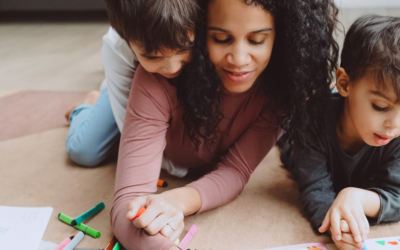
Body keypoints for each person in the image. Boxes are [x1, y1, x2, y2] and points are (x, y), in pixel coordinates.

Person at [111, 0, 340, 249]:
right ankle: (100, 100)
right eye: (221, 38)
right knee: (89, 146)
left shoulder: (281, 89)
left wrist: (178, 200)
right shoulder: (159, 77)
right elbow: (128, 203)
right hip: (141, 105)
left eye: (256, 40)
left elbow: (236, 169)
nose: (239, 60)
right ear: (197, 31)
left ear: (282, 37)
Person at [279, 14, 400, 250]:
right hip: (295, 144)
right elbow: (315, 189)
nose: (394, 125)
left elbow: (396, 194)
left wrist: (357, 197)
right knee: (287, 132)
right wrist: (338, 224)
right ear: (344, 84)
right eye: (380, 107)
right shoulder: (312, 119)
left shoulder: (396, 133)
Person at [64, 0, 198, 169]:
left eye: (184, 49)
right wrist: (177, 168)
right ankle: (88, 104)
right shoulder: (116, 46)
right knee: (84, 151)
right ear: (127, 42)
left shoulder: (198, 16)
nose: (173, 67)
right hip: (128, 85)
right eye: (153, 57)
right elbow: (133, 136)